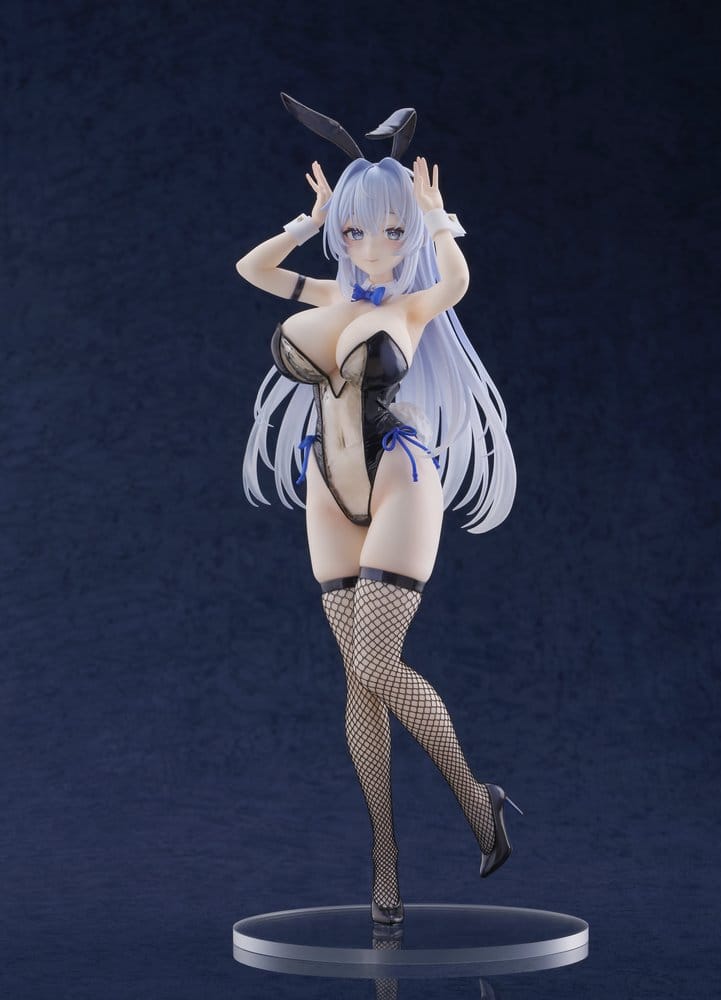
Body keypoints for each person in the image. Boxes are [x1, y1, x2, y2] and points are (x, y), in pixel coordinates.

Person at [236, 97, 521, 925]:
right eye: (357, 230)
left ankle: (474, 797)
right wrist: (308, 220)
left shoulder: (413, 304)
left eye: (390, 230)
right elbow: (253, 269)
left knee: (377, 662)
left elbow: (458, 282)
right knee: (358, 681)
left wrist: (438, 219)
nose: (372, 245)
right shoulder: (331, 289)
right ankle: (385, 861)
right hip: (326, 486)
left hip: (399, 476)